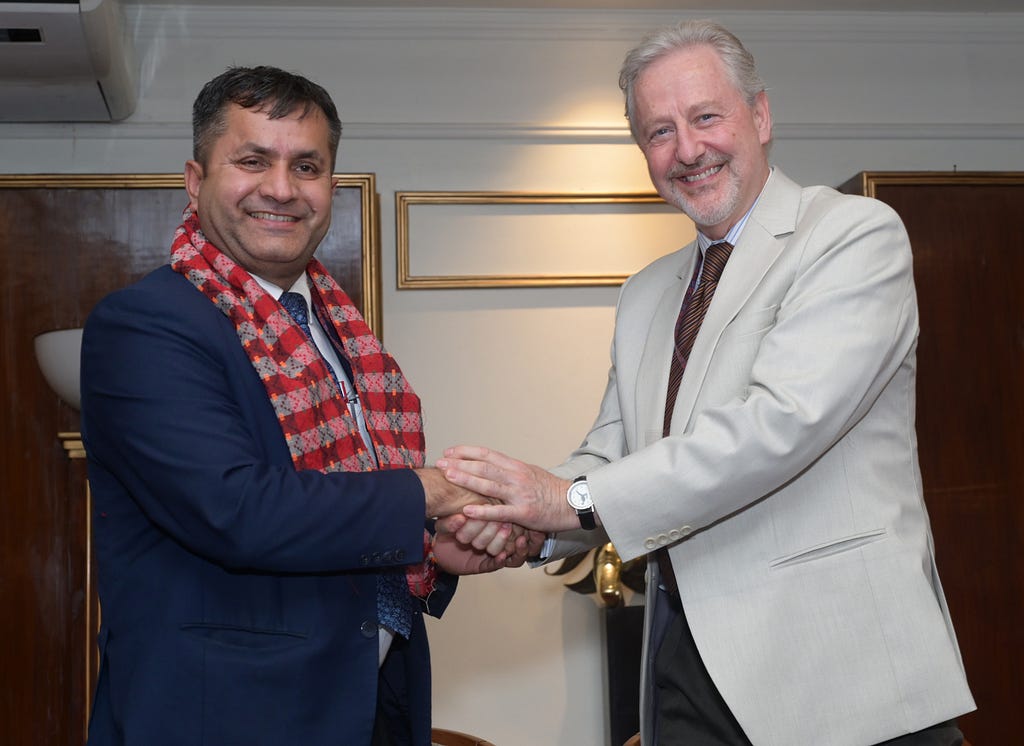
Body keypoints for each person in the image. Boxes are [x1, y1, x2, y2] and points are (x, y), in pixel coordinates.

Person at [438, 19, 976, 746]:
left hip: (844, 682)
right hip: (684, 678)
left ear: (760, 116)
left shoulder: (853, 235)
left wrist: (564, 500)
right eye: (659, 132)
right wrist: (523, 529)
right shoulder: (646, 293)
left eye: (705, 117)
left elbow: (779, 426)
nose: (686, 150)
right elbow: (609, 457)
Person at [80, 65, 523, 746]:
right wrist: (427, 493)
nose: (282, 189)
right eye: (253, 160)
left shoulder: (339, 328)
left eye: (306, 166)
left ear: (331, 187)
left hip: (366, 710)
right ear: (196, 181)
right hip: (223, 721)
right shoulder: (145, 326)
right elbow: (238, 511)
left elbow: (341, 502)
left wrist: (432, 547)